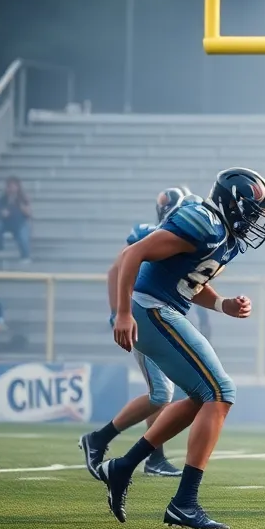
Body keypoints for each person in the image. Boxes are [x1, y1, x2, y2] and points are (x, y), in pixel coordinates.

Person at [97, 168, 265, 529]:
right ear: (232, 203)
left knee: (200, 396)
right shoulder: (203, 220)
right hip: (149, 309)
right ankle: (184, 503)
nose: (254, 222)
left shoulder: (225, 236)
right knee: (222, 391)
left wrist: (223, 305)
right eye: (252, 213)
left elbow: (190, 281)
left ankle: (123, 466)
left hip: (162, 309)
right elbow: (134, 254)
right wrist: (123, 312)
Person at [79, 187, 198, 480]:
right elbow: (115, 270)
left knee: (163, 392)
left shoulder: (175, 235)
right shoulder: (149, 234)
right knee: (161, 393)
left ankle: (152, 457)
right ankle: (101, 439)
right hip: (141, 317)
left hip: (159, 318)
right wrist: (119, 313)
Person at [0, 176, 31, 262]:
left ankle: (25, 257)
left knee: (23, 236)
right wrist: (3, 212)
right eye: (9, 186)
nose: (11, 188)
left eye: (14, 186)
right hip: (5, 223)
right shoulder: (2, 198)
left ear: (18, 187)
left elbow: (28, 213)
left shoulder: (23, 197)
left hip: (19, 223)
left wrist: (20, 205)